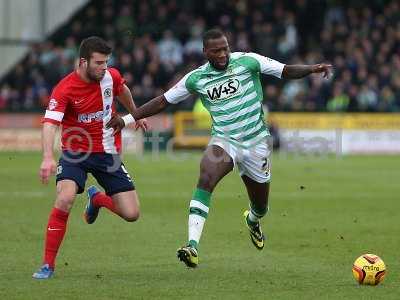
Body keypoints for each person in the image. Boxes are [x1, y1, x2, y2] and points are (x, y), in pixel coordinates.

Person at [107, 29, 332, 268]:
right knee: (206, 177)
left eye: (225, 48)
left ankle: (253, 220)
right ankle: (192, 246)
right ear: (205, 52)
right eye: (217, 50)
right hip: (225, 141)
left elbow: (284, 70)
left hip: (257, 143)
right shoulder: (196, 78)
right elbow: (163, 100)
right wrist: (127, 120)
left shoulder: (248, 60)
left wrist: (311, 69)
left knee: (261, 206)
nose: (223, 53)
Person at [32, 36, 148, 279]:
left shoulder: (111, 76)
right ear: (83, 62)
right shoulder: (64, 88)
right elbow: (50, 124)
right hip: (76, 153)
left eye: (106, 62)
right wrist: (47, 157)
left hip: (108, 153)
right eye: (98, 63)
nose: (104, 68)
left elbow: (122, 89)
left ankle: (96, 199)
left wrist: (136, 114)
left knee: (132, 214)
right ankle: (47, 265)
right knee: (64, 199)